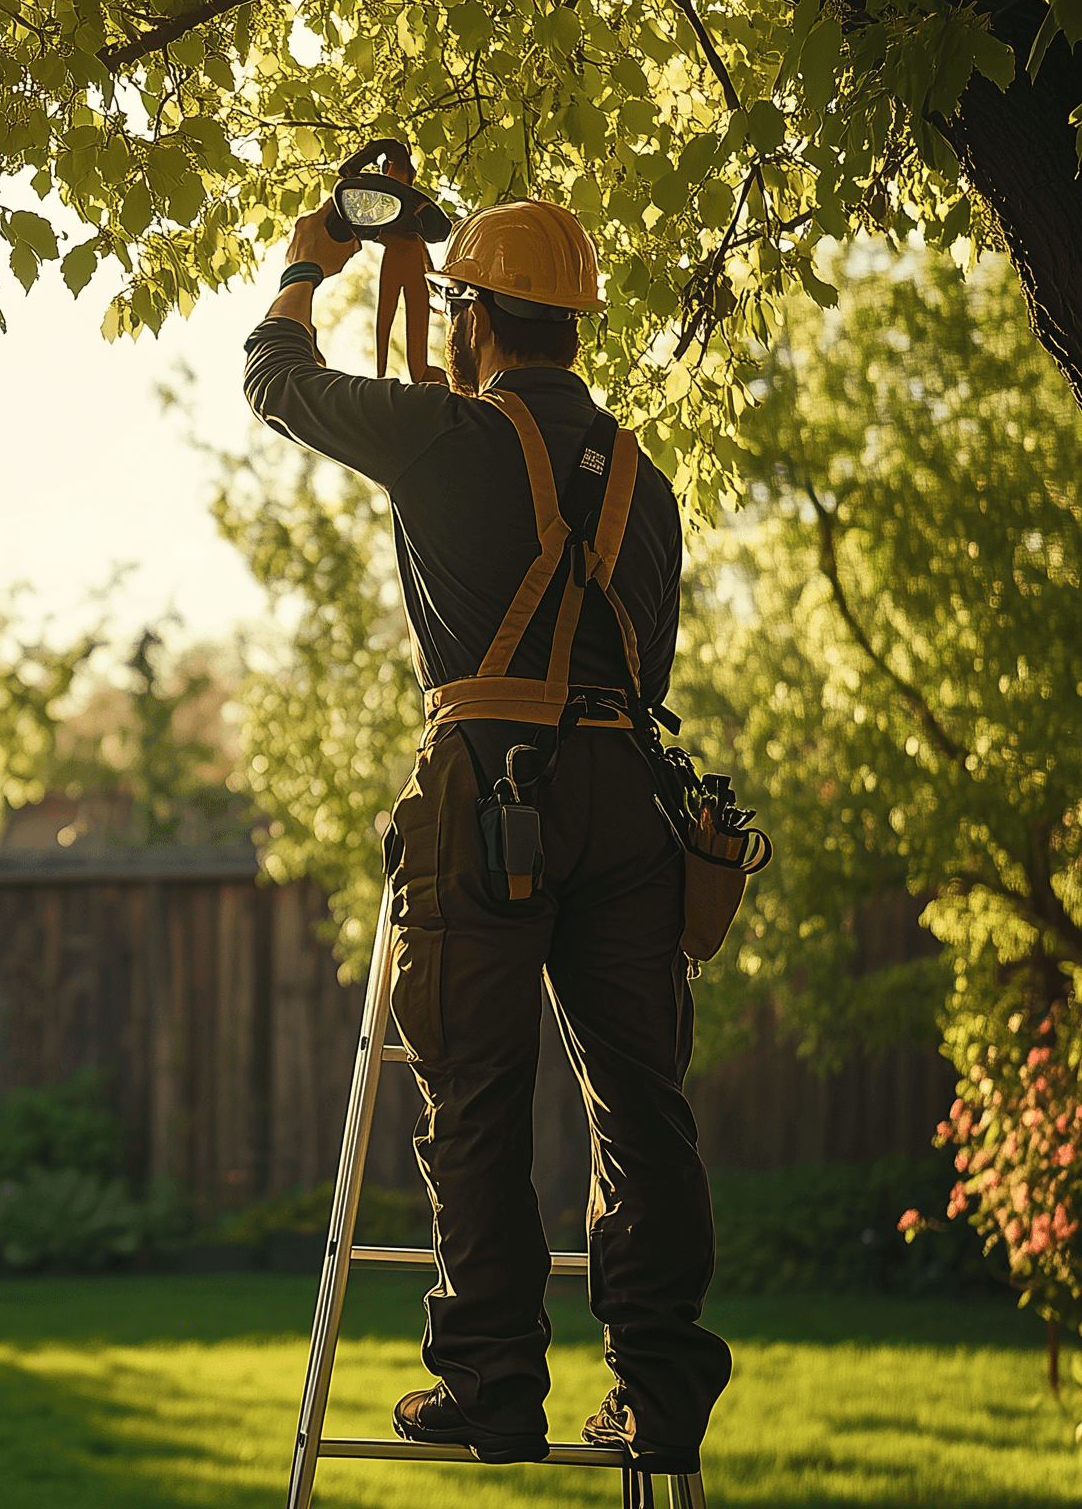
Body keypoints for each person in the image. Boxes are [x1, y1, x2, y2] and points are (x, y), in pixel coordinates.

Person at [241, 196, 730, 1475]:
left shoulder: (439, 435)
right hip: (629, 790)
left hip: (486, 783)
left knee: (472, 1086)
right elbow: (641, 657)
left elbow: (274, 380)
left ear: (472, 318)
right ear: (571, 328)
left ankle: (494, 1380)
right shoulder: (648, 484)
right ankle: (658, 1390)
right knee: (639, 1101)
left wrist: (310, 262)